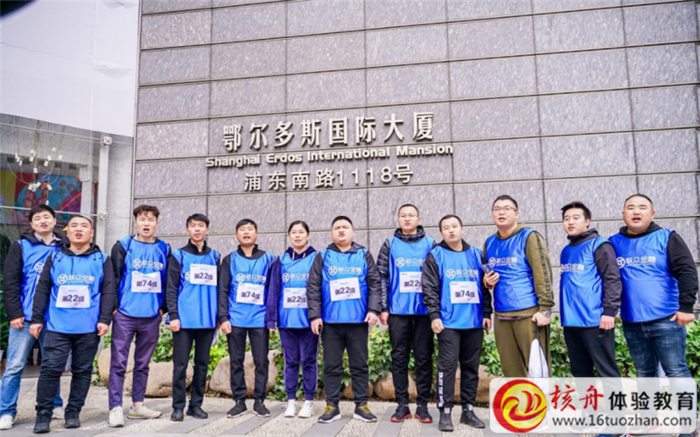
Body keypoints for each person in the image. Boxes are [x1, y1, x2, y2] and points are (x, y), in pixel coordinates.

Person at [29, 215, 114, 433]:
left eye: (84, 226)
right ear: (67, 232)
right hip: (57, 326)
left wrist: (105, 319)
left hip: (88, 327)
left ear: (91, 233)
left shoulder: (102, 259)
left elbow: (108, 291)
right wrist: (37, 319)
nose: (79, 229)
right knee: (50, 370)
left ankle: (73, 412)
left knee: (82, 370)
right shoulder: (55, 257)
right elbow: (42, 289)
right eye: (74, 226)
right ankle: (43, 414)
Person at [306, 216, 382, 424]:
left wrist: (374, 309)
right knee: (331, 365)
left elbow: (375, 283)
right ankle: (332, 405)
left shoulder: (363, 254)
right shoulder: (323, 256)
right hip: (331, 323)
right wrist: (315, 315)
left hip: (358, 321)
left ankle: (361, 405)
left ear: (353, 232)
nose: (341, 230)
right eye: (337, 228)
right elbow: (313, 287)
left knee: (360, 365)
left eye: (345, 227)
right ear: (331, 233)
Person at [422, 215, 491, 432]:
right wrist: (434, 316)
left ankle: (468, 411)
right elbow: (429, 288)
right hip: (448, 323)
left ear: (462, 229)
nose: (451, 230)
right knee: (447, 368)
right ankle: (445, 411)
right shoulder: (435, 255)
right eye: (446, 228)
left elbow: (485, 286)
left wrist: (487, 313)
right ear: (441, 233)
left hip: (474, 322)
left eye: (454, 226)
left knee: (471, 368)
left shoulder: (477, 255)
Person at [1, 205, 64, 430]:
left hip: (54, 318)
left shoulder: (64, 247)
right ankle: (6, 411)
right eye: (38, 218)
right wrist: (14, 313)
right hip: (25, 317)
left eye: (47, 217)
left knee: (52, 365)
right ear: (31, 224)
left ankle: (55, 404)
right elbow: (10, 281)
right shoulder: (21, 246)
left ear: (54, 220)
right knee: (14, 366)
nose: (43, 221)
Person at [108, 205, 171, 427]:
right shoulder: (123, 246)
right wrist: (114, 307)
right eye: (142, 219)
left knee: (143, 363)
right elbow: (113, 278)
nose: (146, 223)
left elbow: (169, 281)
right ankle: (115, 407)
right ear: (135, 222)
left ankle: (137, 405)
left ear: (157, 223)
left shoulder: (164, 248)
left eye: (150, 219)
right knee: (118, 363)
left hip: (151, 315)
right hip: (125, 314)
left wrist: (163, 308)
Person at [376, 204, 436, 423]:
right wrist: (384, 308)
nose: (407, 219)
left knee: (424, 358)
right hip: (397, 311)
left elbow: (437, 278)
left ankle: (422, 405)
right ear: (398, 220)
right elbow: (381, 277)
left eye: (411, 215)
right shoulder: (389, 245)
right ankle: (402, 405)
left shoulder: (431, 244)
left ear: (419, 219)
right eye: (403, 216)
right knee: (399, 358)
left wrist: (436, 311)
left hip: (424, 312)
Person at [483, 195, 554, 377]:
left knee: (538, 369)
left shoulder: (529, 237)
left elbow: (543, 272)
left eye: (507, 208)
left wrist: (545, 309)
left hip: (529, 313)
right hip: (502, 316)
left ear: (516, 213)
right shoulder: (489, 243)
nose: (501, 212)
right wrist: (487, 282)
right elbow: (486, 276)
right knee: (511, 371)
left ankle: (543, 398)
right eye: (497, 209)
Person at [218, 219, 275, 418]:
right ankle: (239, 401)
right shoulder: (229, 260)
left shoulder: (268, 259)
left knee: (261, 361)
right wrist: (223, 317)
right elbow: (222, 290)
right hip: (235, 319)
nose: (246, 232)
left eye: (250, 229)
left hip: (260, 319)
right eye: (242, 229)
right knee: (236, 361)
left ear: (256, 234)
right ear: (237, 235)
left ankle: (260, 401)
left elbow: (273, 291)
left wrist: (271, 318)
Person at [165, 214, 220, 422]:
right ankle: (178, 406)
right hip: (183, 320)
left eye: (201, 226)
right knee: (180, 365)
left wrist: (219, 316)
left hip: (207, 320)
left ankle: (196, 405)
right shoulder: (178, 255)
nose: (197, 229)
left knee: (202, 364)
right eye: (193, 226)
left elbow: (219, 288)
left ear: (207, 230)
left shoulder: (215, 256)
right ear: (187, 230)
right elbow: (171, 288)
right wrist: (173, 315)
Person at [559, 202, 621, 378]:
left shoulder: (599, 245)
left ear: (587, 221)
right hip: (571, 322)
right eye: (566, 219)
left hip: (595, 320)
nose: (570, 222)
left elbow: (612, 278)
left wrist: (609, 311)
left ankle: (614, 399)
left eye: (575, 218)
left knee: (606, 371)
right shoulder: (566, 250)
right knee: (580, 372)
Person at [266, 221, 318, 419]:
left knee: (309, 360)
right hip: (287, 320)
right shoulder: (281, 260)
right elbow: (274, 289)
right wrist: (271, 319)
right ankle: (291, 401)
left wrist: (319, 315)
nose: (297, 236)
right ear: (289, 236)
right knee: (291, 361)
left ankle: (309, 401)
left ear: (308, 235)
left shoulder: (316, 258)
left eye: (301, 232)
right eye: (294, 232)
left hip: (309, 321)